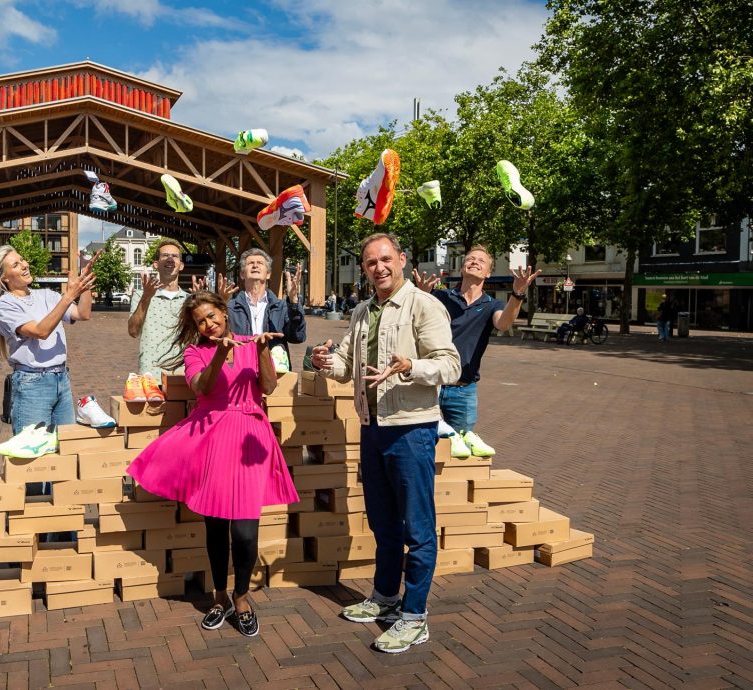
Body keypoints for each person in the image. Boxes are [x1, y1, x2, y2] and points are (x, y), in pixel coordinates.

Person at [312, 232, 461, 654]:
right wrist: (327, 362)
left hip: (411, 428)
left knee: (417, 526)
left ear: (401, 259)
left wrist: (410, 365)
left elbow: (451, 365)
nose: (378, 267)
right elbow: (346, 364)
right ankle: (385, 597)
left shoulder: (424, 305)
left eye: (384, 259)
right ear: (363, 268)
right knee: (382, 521)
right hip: (372, 425)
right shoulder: (362, 311)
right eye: (369, 261)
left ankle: (415, 616)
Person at [127, 291, 298, 638]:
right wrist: (220, 355)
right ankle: (219, 595)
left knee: (246, 533)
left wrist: (262, 350)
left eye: (213, 316)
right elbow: (202, 388)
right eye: (201, 321)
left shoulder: (252, 343)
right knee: (216, 527)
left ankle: (242, 595)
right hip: (212, 436)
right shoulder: (195, 352)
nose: (209, 324)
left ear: (224, 311)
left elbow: (267, 386)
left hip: (250, 436)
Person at [413, 246, 540, 457]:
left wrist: (517, 294)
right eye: (470, 259)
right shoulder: (440, 297)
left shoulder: (492, 305)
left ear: (488, 272)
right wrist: (422, 294)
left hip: (463, 390)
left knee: (461, 451)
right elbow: (415, 318)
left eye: (481, 261)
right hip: (431, 385)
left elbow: (504, 324)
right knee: (421, 442)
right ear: (462, 268)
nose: (475, 262)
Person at [0, 244, 97, 439]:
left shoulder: (46, 295)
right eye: (16, 264)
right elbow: (41, 331)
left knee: (66, 447)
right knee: (33, 454)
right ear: (4, 277)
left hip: (61, 380)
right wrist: (69, 296)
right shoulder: (5, 304)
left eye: (22, 260)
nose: (24, 265)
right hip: (32, 384)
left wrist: (84, 284)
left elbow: (83, 313)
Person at [227, 248, 307, 372]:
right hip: (239, 372)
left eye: (260, 263)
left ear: (268, 274)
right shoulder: (230, 307)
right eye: (250, 263)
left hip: (273, 373)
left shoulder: (281, 306)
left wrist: (294, 302)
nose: (255, 265)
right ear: (242, 274)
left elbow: (297, 337)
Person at [127, 239, 189, 380]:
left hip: (183, 374)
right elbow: (133, 331)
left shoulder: (190, 300)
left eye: (174, 256)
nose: (170, 259)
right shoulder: (141, 295)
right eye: (165, 255)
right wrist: (146, 298)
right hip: (151, 374)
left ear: (181, 265)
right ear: (156, 264)